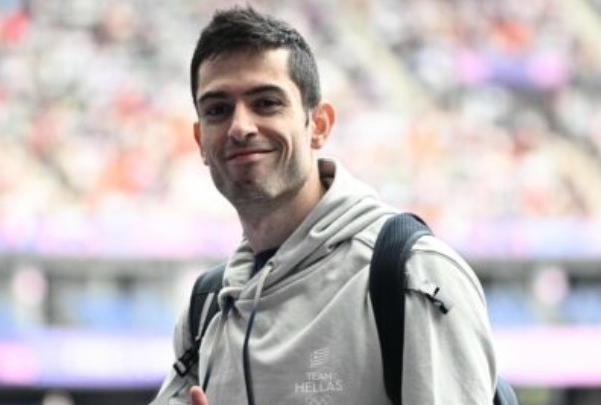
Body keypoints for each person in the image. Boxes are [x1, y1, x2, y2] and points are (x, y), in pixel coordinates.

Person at [150, 6, 496, 405]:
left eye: (266, 103)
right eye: (217, 110)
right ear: (200, 141)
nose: (240, 127)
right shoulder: (206, 309)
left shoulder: (412, 274)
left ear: (319, 125)